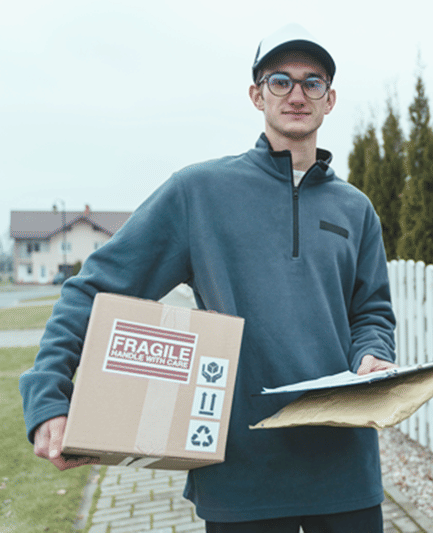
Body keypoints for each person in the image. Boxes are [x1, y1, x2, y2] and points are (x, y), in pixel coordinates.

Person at [19, 23, 397, 533]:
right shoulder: (199, 193)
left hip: (343, 468)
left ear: (329, 100)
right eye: (280, 80)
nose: (297, 94)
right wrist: (48, 394)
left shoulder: (356, 209)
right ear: (256, 95)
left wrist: (373, 355)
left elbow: (371, 313)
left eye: (313, 82)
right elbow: (95, 288)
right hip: (240, 473)